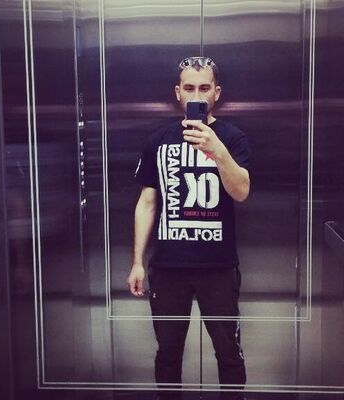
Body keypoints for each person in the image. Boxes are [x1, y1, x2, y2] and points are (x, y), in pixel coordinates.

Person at [127, 56, 250, 400]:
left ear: (217, 93)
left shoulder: (233, 138)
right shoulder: (158, 140)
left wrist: (217, 151)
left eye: (205, 88)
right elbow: (147, 203)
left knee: (229, 352)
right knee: (168, 353)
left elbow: (241, 192)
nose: (197, 96)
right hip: (168, 267)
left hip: (219, 267)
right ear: (178, 92)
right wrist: (137, 262)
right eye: (190, 88)